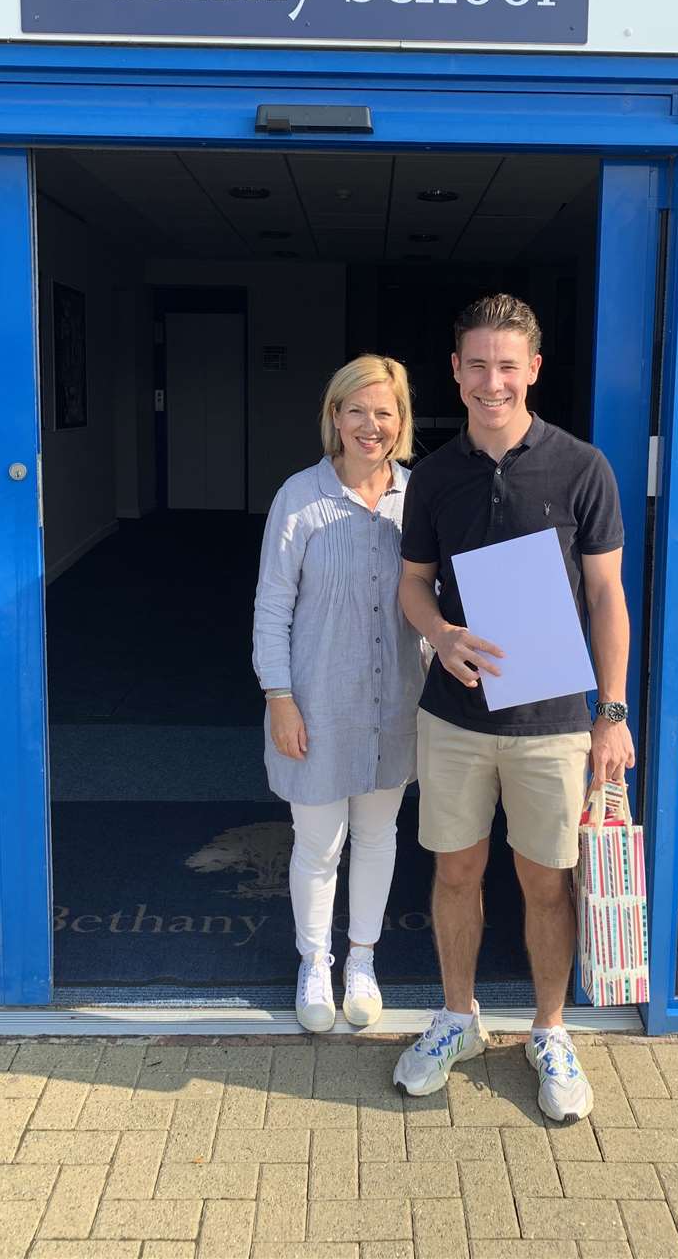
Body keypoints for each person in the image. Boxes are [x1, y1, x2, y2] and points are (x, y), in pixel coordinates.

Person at [393, 295, 634, 1123]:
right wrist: (438, 633)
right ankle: (457, 1019)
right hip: (455, 717)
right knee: (454, 871)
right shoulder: (433, 475)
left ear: (532, 369)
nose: (492, 381)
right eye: (476, 365)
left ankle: (549, 1030)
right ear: (455, 371)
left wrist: (613, 712)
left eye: (508, 365)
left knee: (546, 882)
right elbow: (411, 585)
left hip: (554, 721)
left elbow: (607, 597)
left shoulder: (581, 468)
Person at [253, 355, 423, 1032]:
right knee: (318, 842)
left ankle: (362, 960)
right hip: (316, 703)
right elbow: (272, 606)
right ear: (334, 416)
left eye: (384, 411)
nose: (369, 424)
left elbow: (440, 600)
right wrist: (279, 696)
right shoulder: (299, 497)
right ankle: (314, 961)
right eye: (356, 409)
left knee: (379, 835)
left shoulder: (421, 499)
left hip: (395, 702)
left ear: (401, 422)